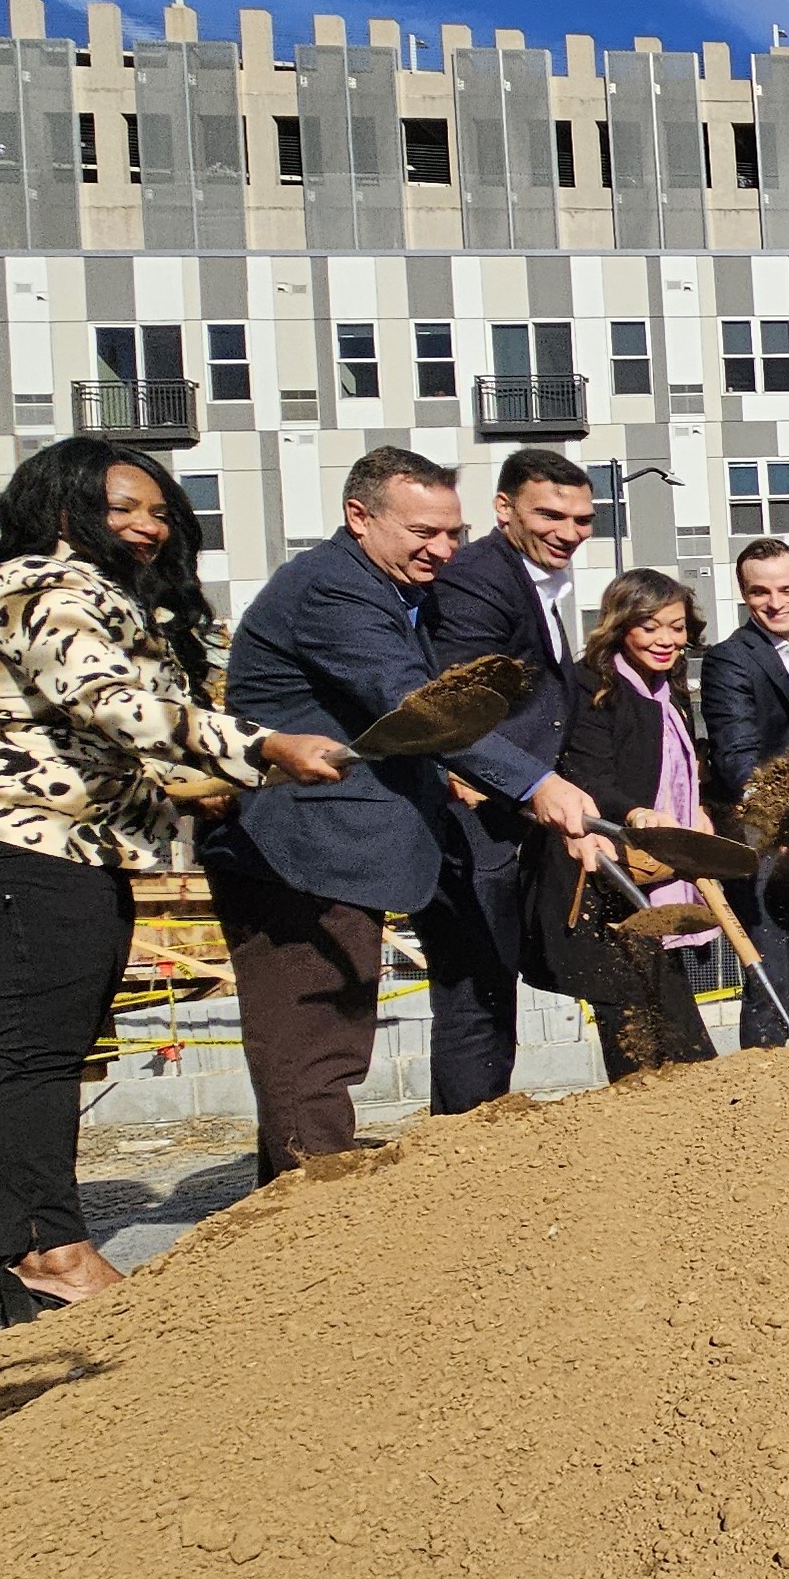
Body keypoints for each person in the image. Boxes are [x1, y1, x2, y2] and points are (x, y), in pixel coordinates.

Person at [0, 439, 351, 1323]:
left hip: (51, 841)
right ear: (62, 511)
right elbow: (108, 701)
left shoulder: (115, 601)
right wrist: (263, 747)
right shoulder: (47, 587)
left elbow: (109, 737)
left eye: (159, 512)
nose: (146, 526)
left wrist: (222, 778)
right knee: (31, 1051)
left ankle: (40, 1258)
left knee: (50, 1043)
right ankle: (48, 1255)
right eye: (123, 507)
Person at [201, 447, 596, 1184]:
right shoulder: (331, 591)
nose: (443, 549)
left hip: (343, 848)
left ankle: (305, 1194)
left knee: (333, 1036)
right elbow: (414, 704)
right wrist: (534, 782)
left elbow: (392, 722)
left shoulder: (384, 587)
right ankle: (305, 1208)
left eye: (453, 532)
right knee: (311, 1041)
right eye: (423, 531)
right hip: (296, 851)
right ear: (360, 516)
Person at [410, 448, 595, 1113]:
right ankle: (463, 1148)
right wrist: (530, 784)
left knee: (493, 993)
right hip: (469, 822)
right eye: (550, 513)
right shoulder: (478, 579)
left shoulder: (538, 585)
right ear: (503, 509)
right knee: (475, 998)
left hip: (509, 820)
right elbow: (454, 706)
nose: (569, 530)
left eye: (582, 518)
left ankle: (478, 1136)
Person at [528, 571, 726, 1077]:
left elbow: (679, 770)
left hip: (654, 870)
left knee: (669, 1008)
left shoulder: (669, 687)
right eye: (651, 626)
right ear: (621, 626)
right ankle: (643, 1122)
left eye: (677, 628)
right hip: (603, 873)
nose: (667, 641)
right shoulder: (592, 686)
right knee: (634, 1018)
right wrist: (635, 813)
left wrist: (695, 811)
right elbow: (587, 773)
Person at [700, 538, 789, 1046]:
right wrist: (777, 813)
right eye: (761, 592)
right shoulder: (728, 661)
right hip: (765, 836)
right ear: (744, 595)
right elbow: (737, 755)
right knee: (772, 973)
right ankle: (764, 1092)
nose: (775, 602)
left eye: (787, 589)